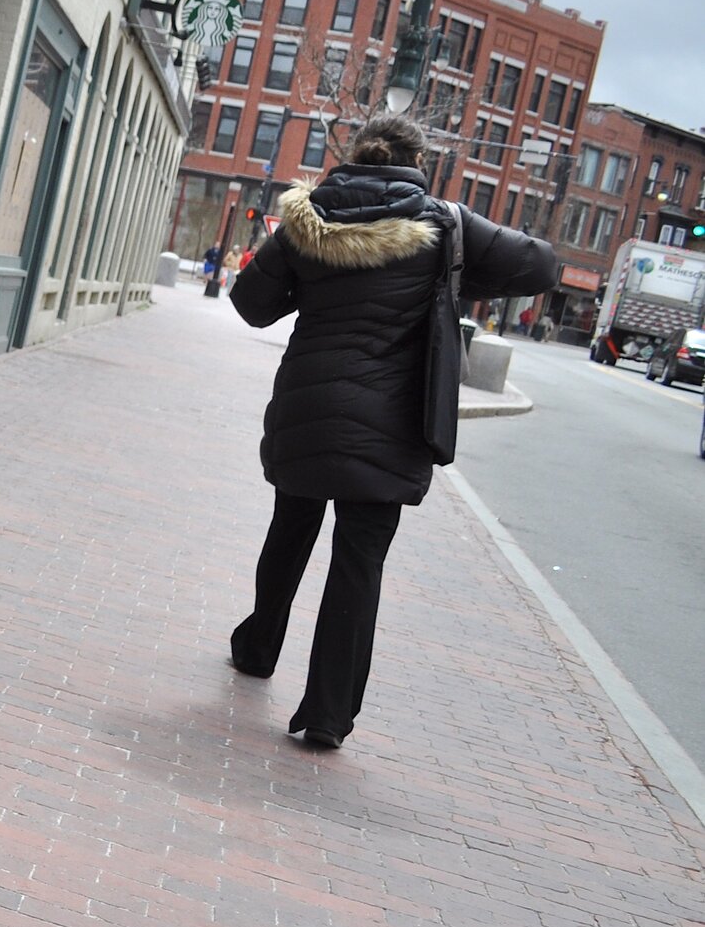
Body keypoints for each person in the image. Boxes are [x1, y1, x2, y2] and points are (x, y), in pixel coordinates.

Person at [225, 115, 555, 750]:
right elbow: (540, 267)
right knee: (359, 562)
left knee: (290, 528)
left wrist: (307, 275)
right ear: (418, 161)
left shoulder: (307, 217)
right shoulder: (442, 222)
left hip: (307, 406)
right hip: (390, 422)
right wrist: (457, 270)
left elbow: (252, 304)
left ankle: (258, 647)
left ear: (354, 154)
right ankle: (325, 713)